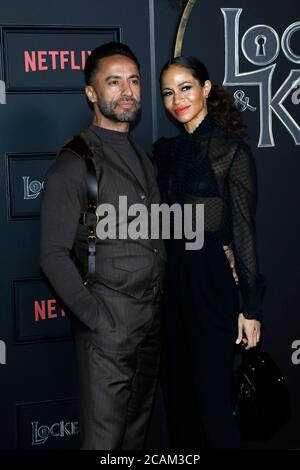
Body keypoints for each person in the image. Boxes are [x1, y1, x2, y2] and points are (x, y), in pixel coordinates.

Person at [40, 42, 166, 450]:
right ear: (92, 93)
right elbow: (52, 256)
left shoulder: (141, 156)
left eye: (133, 80)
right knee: (103, 442)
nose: (127, 90)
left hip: (147, 322)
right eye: (114, 81)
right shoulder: (75, 161)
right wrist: (98, 319)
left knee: (133, 438)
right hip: (107, 326)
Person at [153, 56, 264, 449]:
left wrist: (250, 308)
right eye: (168, 92)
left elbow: (244, 231)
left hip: (209, 284)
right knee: (178, 403)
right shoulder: (162, 152)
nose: (177, 99)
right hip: (170, 287)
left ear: (205, 88)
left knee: (212, 405)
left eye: (186, 87)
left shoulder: (230, 152)